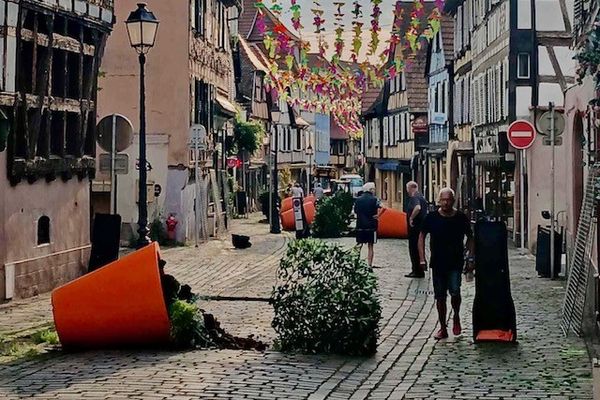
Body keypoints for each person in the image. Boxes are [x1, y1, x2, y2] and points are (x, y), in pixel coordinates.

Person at [418, 188, 474, 340]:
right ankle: (442, 327)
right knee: (440, 296)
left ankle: (456, 315)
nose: (446, 203)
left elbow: (470, 237)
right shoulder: (432, 217)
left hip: (455, 261)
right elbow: (422, 236)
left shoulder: (460, 217)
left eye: (448, 200)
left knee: (455, 292)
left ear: (453, 200)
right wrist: (422, 258)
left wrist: (470, 257)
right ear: (439, 200)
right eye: (443, 200)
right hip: (438, 262)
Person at [354, 182, 382, 267]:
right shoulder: (375, 199)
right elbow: (383, 207)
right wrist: (378, 215)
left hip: (360, 225)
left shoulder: (358, 199)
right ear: (370, 190)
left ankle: (356, 261)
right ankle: (369, 264)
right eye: (373, 189)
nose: (374, 191)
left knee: (359, 245)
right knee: (370, 246)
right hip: (371, 226)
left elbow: (355, 211)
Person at [405, 181, 428, 278]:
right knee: (419, 248)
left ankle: (416, 271)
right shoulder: (421, 196)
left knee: (414, 248)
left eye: (407, 189)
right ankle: (420, 269)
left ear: (410, 188)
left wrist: (411, 218)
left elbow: (417, 208)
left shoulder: (415, 197)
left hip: (415, 228)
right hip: (421, 226)